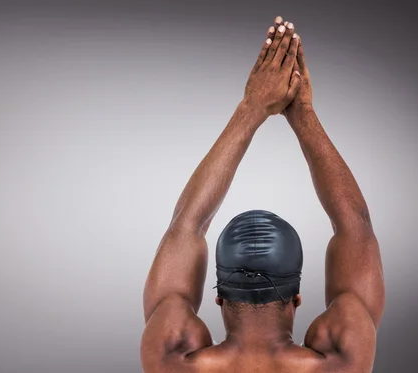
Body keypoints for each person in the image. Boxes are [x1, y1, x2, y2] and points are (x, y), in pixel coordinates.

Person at [141, 16, 385, 373]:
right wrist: (302, 114)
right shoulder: (341, 361)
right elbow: (355, 226)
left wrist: (250, 110)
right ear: (296, 300)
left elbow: (186, 225)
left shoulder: (171, 360)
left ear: (219, 298)